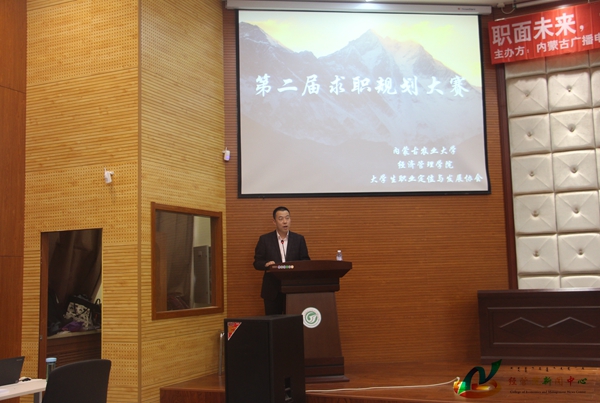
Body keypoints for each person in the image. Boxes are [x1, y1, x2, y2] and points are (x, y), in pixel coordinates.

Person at [253, 206, 310, 315]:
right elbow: (257, 262)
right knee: (273, 321)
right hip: (272, 290)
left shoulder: (298, 239)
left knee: (292, 320)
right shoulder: (265, 239)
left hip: (294, 288)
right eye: (281, 218)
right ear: (274, 222)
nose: (285, 221)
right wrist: (266, 264)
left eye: (287, 218)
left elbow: (305, 260)